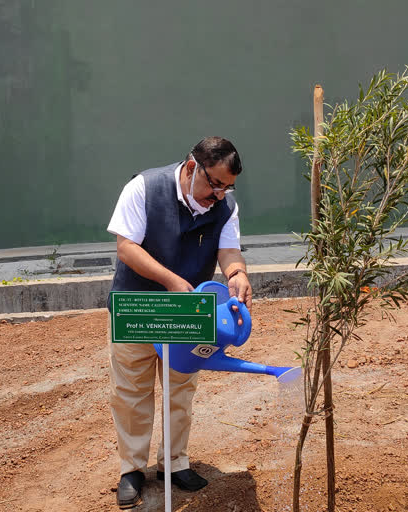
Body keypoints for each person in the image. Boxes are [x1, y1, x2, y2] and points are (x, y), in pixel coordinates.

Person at [106, 136, 252, 509]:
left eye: (227, 187)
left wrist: (236, 272)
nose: (218, 195)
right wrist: (171, 281)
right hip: (138, 309)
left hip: (189, 315)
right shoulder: (144, 188)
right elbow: (126, 246)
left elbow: (229, 249)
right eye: (214, 183)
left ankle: (174, 463)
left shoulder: (224, 206)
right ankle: (132, 469)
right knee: (131, 392)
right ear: (191, 168)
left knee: (180, 389)